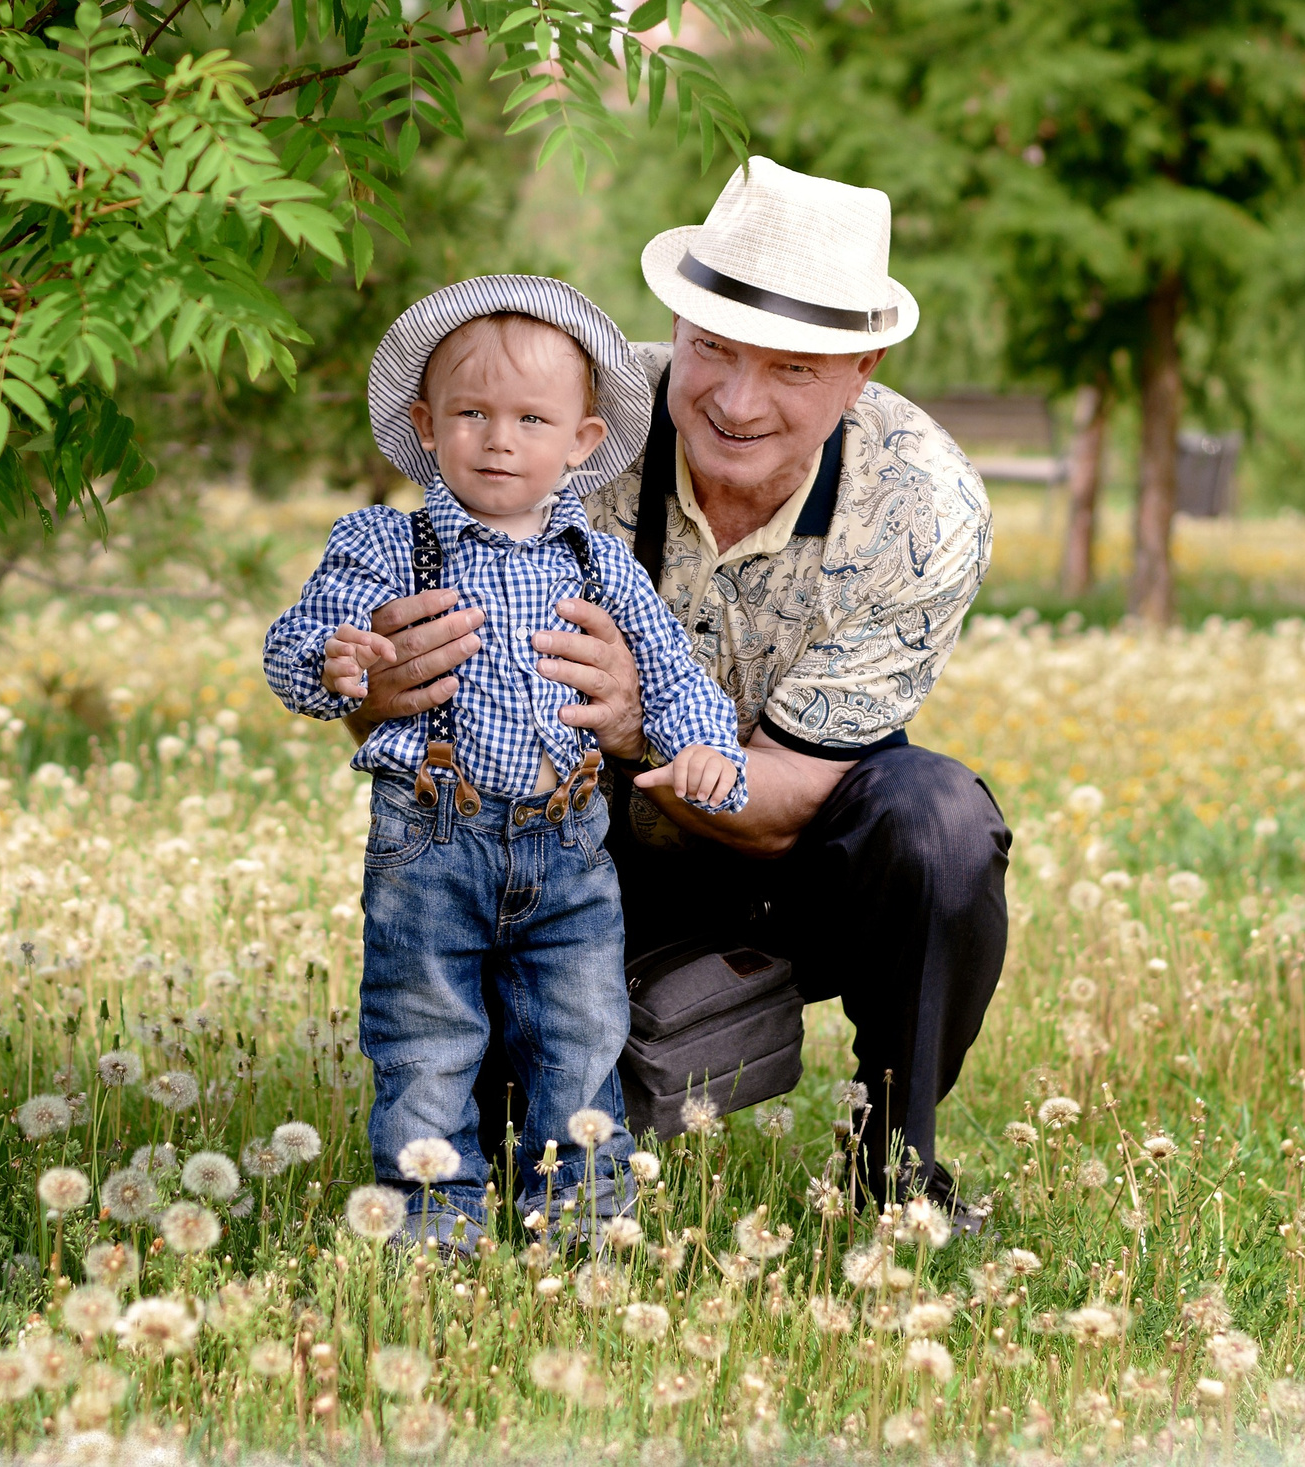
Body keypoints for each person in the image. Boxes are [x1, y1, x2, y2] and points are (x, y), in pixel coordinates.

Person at [343, 160, 1013, 1216]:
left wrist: (638, 726)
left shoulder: (923, 506)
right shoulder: (566, 420)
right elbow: (399, 654)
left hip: (793, 855)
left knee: (938, 828)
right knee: (509, 1136)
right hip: (564, 853)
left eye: (791, 370)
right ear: (673, 322)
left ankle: (893, 1172)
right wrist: (377, 684)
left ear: (861, 366)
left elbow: (796, 787)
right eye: (711, 350)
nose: (736, 404)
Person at [262, 276, 748, 1246]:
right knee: (425, 1036)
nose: (498, 439)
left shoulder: (599, 564)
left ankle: (582, 1218)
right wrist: (334, 658)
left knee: (579, 1037)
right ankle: (429, 1221)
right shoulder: (383, 545)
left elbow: (668, 668)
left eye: (531, 418)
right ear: (426, 424)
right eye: (471, 413)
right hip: (431, 843)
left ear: (579, 442)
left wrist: (705, 746)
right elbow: (296, 646)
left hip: (568, 850)